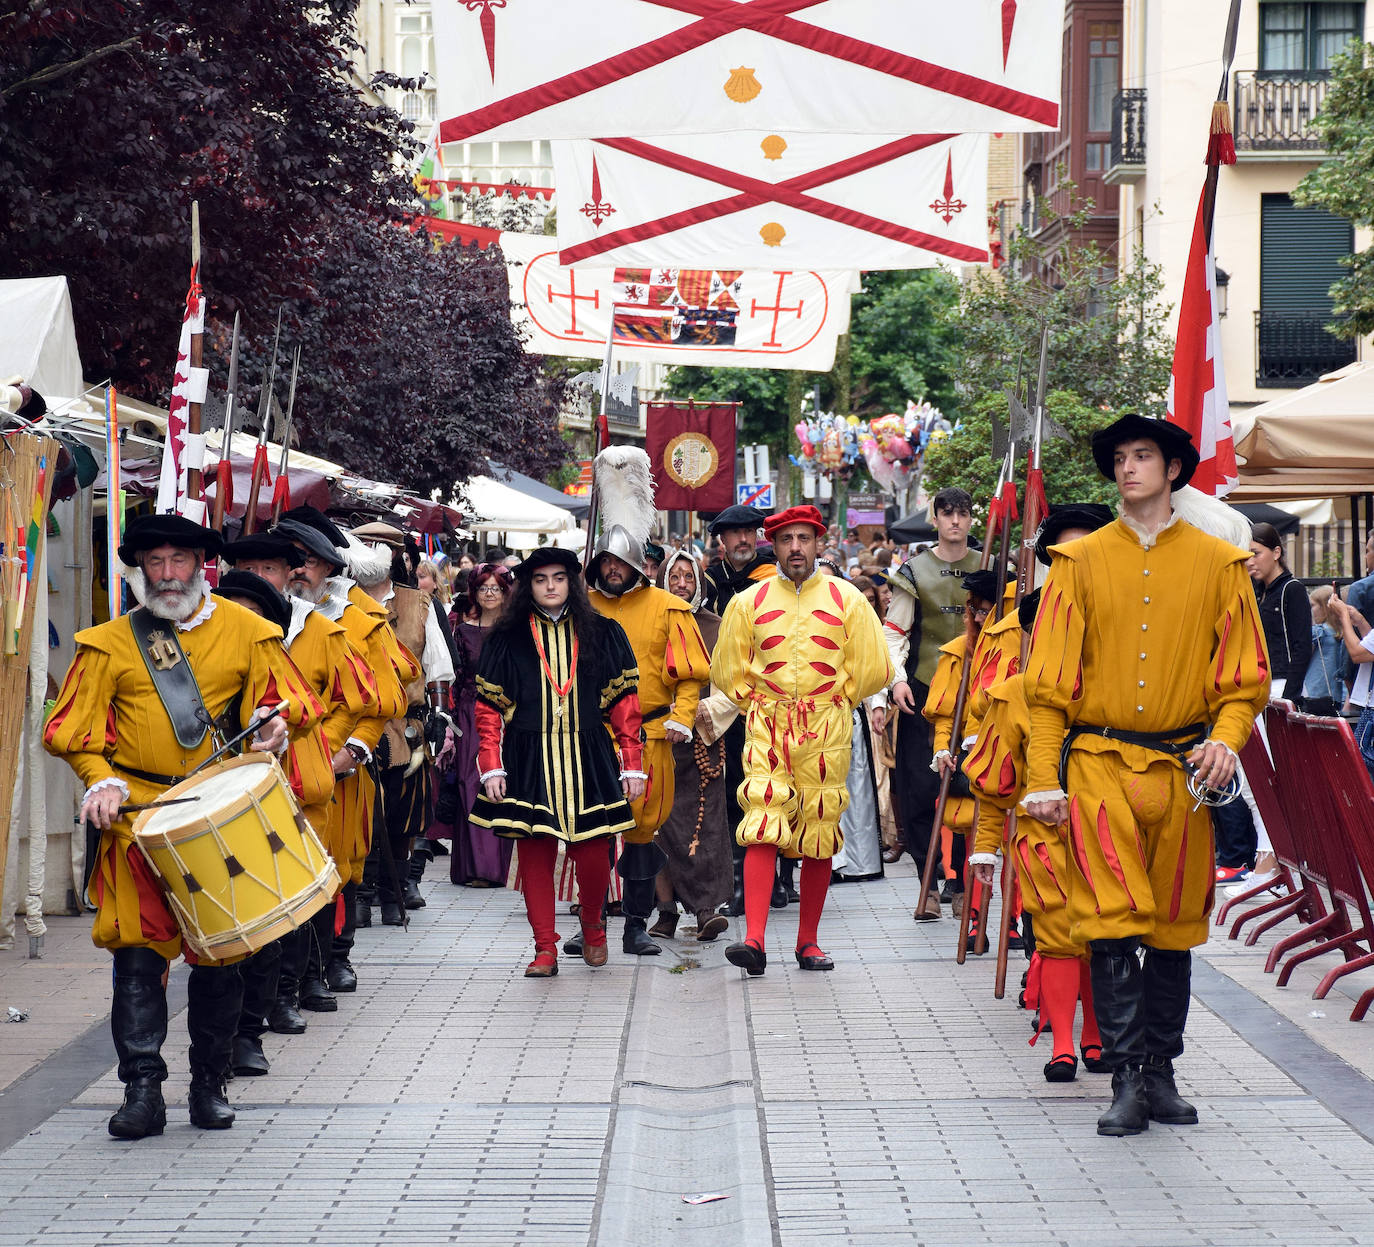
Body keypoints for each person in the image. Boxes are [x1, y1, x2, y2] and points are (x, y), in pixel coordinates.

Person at [1022, 414, 1269, 1136]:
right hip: (1099, 764)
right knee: (1109, 918)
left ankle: (1161, 1070)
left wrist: (1226, 738)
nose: (1129, 468)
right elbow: (1048, 689)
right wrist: (1044, 778)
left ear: (1172, 470)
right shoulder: (1078, 564)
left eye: (1144, 457)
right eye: (1121, 458)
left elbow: (1246, 679)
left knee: (1173, 926)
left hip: (1184, 768)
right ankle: (1125, 1077)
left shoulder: (1221, 565)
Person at [43, 514, 322, 1139]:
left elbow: (297, 700)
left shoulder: (249, 630)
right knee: (138, 958)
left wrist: (280, 722)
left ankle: (209, 1084)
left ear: (203, 566)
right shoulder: (108, 642)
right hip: (138, 817)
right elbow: (68, 730)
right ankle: (142, 1090)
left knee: (219, 958)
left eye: (180, 561)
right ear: (141, 570)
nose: (168, 575)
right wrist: (100, 778)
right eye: (157, 562)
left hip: (216, 813)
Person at [966, 506, 1115, 1083]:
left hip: (1112, 822)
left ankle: (1101, 1035)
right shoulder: (1012, 694)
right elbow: (995, 782)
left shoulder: (1119, 674)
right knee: (1056, 935)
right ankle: (1060, 1043)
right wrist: (984, 846)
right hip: (1042, 835)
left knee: (1106, 934)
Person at [218, 533, 378, 1062]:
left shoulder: (322, 631)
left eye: (270, 568)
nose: (260, 578)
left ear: (290, 575)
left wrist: (327, 748)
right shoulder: (214, 632)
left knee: (298, 891)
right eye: (248, 568)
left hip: (302, 782)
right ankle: (244, 1015)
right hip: (231, 787)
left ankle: (290, 990)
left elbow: (358, 699)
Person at [715, 505, 893, 976]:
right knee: (762, 816)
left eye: (804, 538)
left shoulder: (847, 599)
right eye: (787, 539)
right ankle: (753, 939)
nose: (796, 547)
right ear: (773, 545)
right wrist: (756, 701)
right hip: (767, 725)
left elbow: (874, 665)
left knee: (819, 825)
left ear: (819, 543)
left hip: (825, 727)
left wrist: (839, 699)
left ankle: (808, 942)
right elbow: (727, 669)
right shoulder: (748, 602)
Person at [469, 548, 645, 976]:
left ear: (573, 583)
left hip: (589, 753)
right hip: (528, 756)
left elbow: (625, 706)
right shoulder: (507, 639)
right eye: (541, 579)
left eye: (559, 578)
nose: (550, 586)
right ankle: (544, 948)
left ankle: (593, 927)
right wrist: (491, 763)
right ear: (528, 587)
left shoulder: (603, 632)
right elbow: (488, 710)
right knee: (534, 852)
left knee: (591, 850)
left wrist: (631, 762)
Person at [275, 506, 410, 993]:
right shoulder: (254, 613)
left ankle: (333, 959)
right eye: (287, 561)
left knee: (339, 864)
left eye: (307, 561)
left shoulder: (360, 620)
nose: (296, 571)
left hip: (338, 768)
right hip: (267, 769)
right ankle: (285, 978)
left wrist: (351, 750)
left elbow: (385, 699)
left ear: (329, 568)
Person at [584, 456, 711, 956]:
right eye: (605, 564)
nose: (612, 571)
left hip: (650, 737)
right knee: (589, 829)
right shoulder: (583, 607)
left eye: (620, 563)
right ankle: (591, 924)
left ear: (637, 564)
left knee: (640, 832)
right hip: (589, 737)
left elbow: (690, 677)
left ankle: (635, 924)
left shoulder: (669, 609)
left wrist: (681, 718)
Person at [348, 523, 453, 924]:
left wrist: (439, 717)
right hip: (354, 726)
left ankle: (393, 894)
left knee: (400, 815)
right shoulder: (339, 603)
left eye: (384, 547)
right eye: (367, 546)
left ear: (397, 556)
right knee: (361, 814)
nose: (376, 553)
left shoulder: (418, 603)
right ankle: (361, 894)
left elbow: (438, 669)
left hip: (406, 727)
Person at [885, 488, 982, 918]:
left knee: (971, 787)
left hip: (981, 693)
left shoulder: (993, 565)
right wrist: (897, 681)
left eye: (962, 513)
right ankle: (929, 880)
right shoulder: (914, 571)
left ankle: (961, 883)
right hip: (925, 693)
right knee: (920, 789)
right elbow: (894, 634)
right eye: (948, 514)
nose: (955, 521)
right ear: (936, 518)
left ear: (972, 519)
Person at [699, 504, 783, 915]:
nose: (744, 540)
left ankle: (781, 875)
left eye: (750, 532)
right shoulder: (710, 583)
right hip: (730, 702)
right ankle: (738, 880)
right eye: (735, 534)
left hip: (774, 698)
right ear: (722, 541)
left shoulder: (777, 577)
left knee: (779, 786)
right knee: (736, 787)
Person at [647, 550, 734, 941]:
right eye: (675, 577)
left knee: (705, 827)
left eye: (688, 577)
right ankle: (664, 911)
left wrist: (699, 711)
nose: (681, 584)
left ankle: (705, 910)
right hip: (655, 738)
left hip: (702, 740)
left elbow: (734, 685)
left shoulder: (717, 627)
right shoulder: (652, 620)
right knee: (656, 827)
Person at [440, 562, 516, 887]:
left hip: (509, 715)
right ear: (475, 592)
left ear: (504, 592)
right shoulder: (463, 630)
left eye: (495, 588)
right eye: (483, 588)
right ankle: (476, 867)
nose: (489, 593)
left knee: (504, 785)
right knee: (471, 784)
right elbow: (454, 680)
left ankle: (498, 868)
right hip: (469, 716)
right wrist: (450, 721)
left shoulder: (516, 632)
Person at [1248, 522, 1311, 703]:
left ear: (1276, 553)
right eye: (1247, 555)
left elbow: (1303, 647)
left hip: (1284, 685)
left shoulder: (1292, 589)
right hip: (1261, 684)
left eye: (1256, 553)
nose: (1250, 561)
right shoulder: (1258, 592)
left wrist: (1289, 696)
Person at [1301, 585, 1346, 716]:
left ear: (1324, 608)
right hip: (1336, 694)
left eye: (1312, 606)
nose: (1309, 610)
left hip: (1315, 691)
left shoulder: (1321, 631)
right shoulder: (1340, 632)